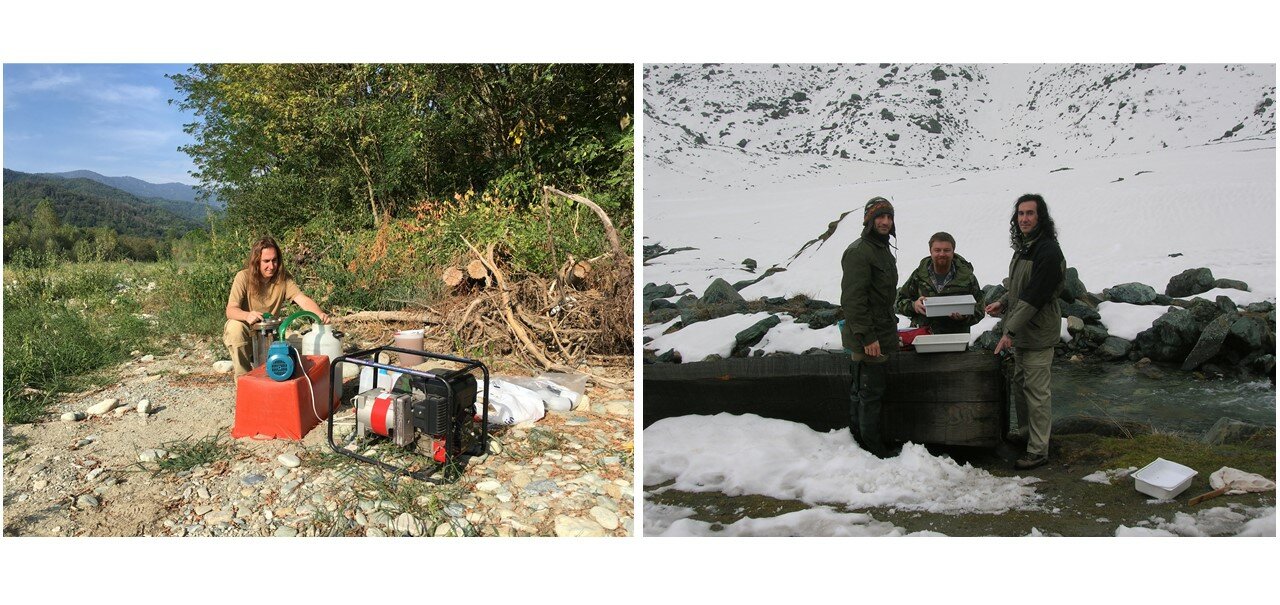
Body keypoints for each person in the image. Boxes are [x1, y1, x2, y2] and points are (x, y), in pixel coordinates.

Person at [984, 194, 1065, 470]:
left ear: (1040, 217)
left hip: (1038, 333)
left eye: (1030, 213)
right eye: (1020, 214)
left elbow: (1034, 297)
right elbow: (1019, 290)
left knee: (1037, 392)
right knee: (1021, 387)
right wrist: (1004, 302)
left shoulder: (1048, 252)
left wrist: (1008, 331)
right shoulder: (1024, 248)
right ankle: (1028, 438)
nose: (1025, 219)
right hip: (1023, 334)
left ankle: (1039, 450)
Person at [840, 196, 900, 458]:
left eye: (888, 217)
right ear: (869, 220)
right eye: (880, 217)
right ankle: (873, 448)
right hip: (868, 337)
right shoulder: (859, 252)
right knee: (869, 393)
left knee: (864, 390)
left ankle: (861, 443)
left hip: (880, 332)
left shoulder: (881, 249)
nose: (885, 221)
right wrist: (867, 337)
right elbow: (853, 300)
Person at [223, 237, 329, 377]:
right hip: (248, 333)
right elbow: (231, 310)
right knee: (234, 328)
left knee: (308, 346)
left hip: (271, 335)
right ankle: (244, 382)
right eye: (266, 261)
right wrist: (247, 315)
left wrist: (319, 314)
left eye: (274, 260)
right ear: (256, 262)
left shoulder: (282, 278)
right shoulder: (243, 277)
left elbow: (301, 299)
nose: (271, 266)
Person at [894, 232, 984, 334]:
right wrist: (914, 305)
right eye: (937, 250)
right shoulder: (919, 275)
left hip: (956, 339)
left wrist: (965, 317)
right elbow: (899, 302)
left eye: (946, 250)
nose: (942, 254)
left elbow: (980, 309)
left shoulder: (967, 277)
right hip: (923, 337)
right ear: (930, 251)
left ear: (953, 251)